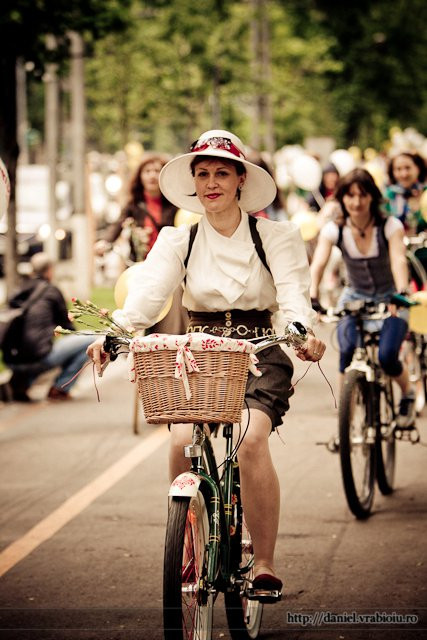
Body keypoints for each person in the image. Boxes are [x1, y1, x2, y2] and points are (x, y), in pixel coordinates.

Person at [87, 129, 325, 598]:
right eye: (202, 174)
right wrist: (113, 334)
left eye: (222, 172)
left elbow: (295, 295)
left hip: (260, 347)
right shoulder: (180, 239)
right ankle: (191, 539)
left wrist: (302, 333)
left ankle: (265, 564)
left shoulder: (274, 236)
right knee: (179, 441)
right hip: (199, 351)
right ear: (193, 184)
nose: (211, 182)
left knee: (252, 441)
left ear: (241, 181)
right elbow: (147, 294)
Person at [310, 168, 416, 428]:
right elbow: (318, 265)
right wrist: (313, 296)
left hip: (391, 296)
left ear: (372, 197)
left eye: (363, 195)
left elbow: (398, 259)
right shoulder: (334, 230)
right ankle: (344, 420)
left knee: (387, 356)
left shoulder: (389, 226)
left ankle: (409, 393)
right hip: (354, 296)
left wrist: (401, 292)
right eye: (350, 195)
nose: (356, 202)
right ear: (342, 198)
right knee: (346, 351)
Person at [5, 253, 94, 402]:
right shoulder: (51, 291)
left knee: (37, 348)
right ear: (49, 270)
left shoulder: (19, 288)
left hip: (12, 358)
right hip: (40, 358)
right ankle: (60, 388)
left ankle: (23, 383)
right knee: (89, 340)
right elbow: (67, 327)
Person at [94, 152, 177, 263]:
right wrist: (105, 241)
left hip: (168, 262)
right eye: (147, 171)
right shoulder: (134, 204)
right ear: (140, 176)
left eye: (157, 171)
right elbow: (118, 224)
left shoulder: (175, 204)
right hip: (140, 263)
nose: (152, 175)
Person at [384, 151, 427, 235]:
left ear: (418, 168)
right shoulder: (389, 195)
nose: (404, 174)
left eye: (408, 168)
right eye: (398, 169)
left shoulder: (425, 192)